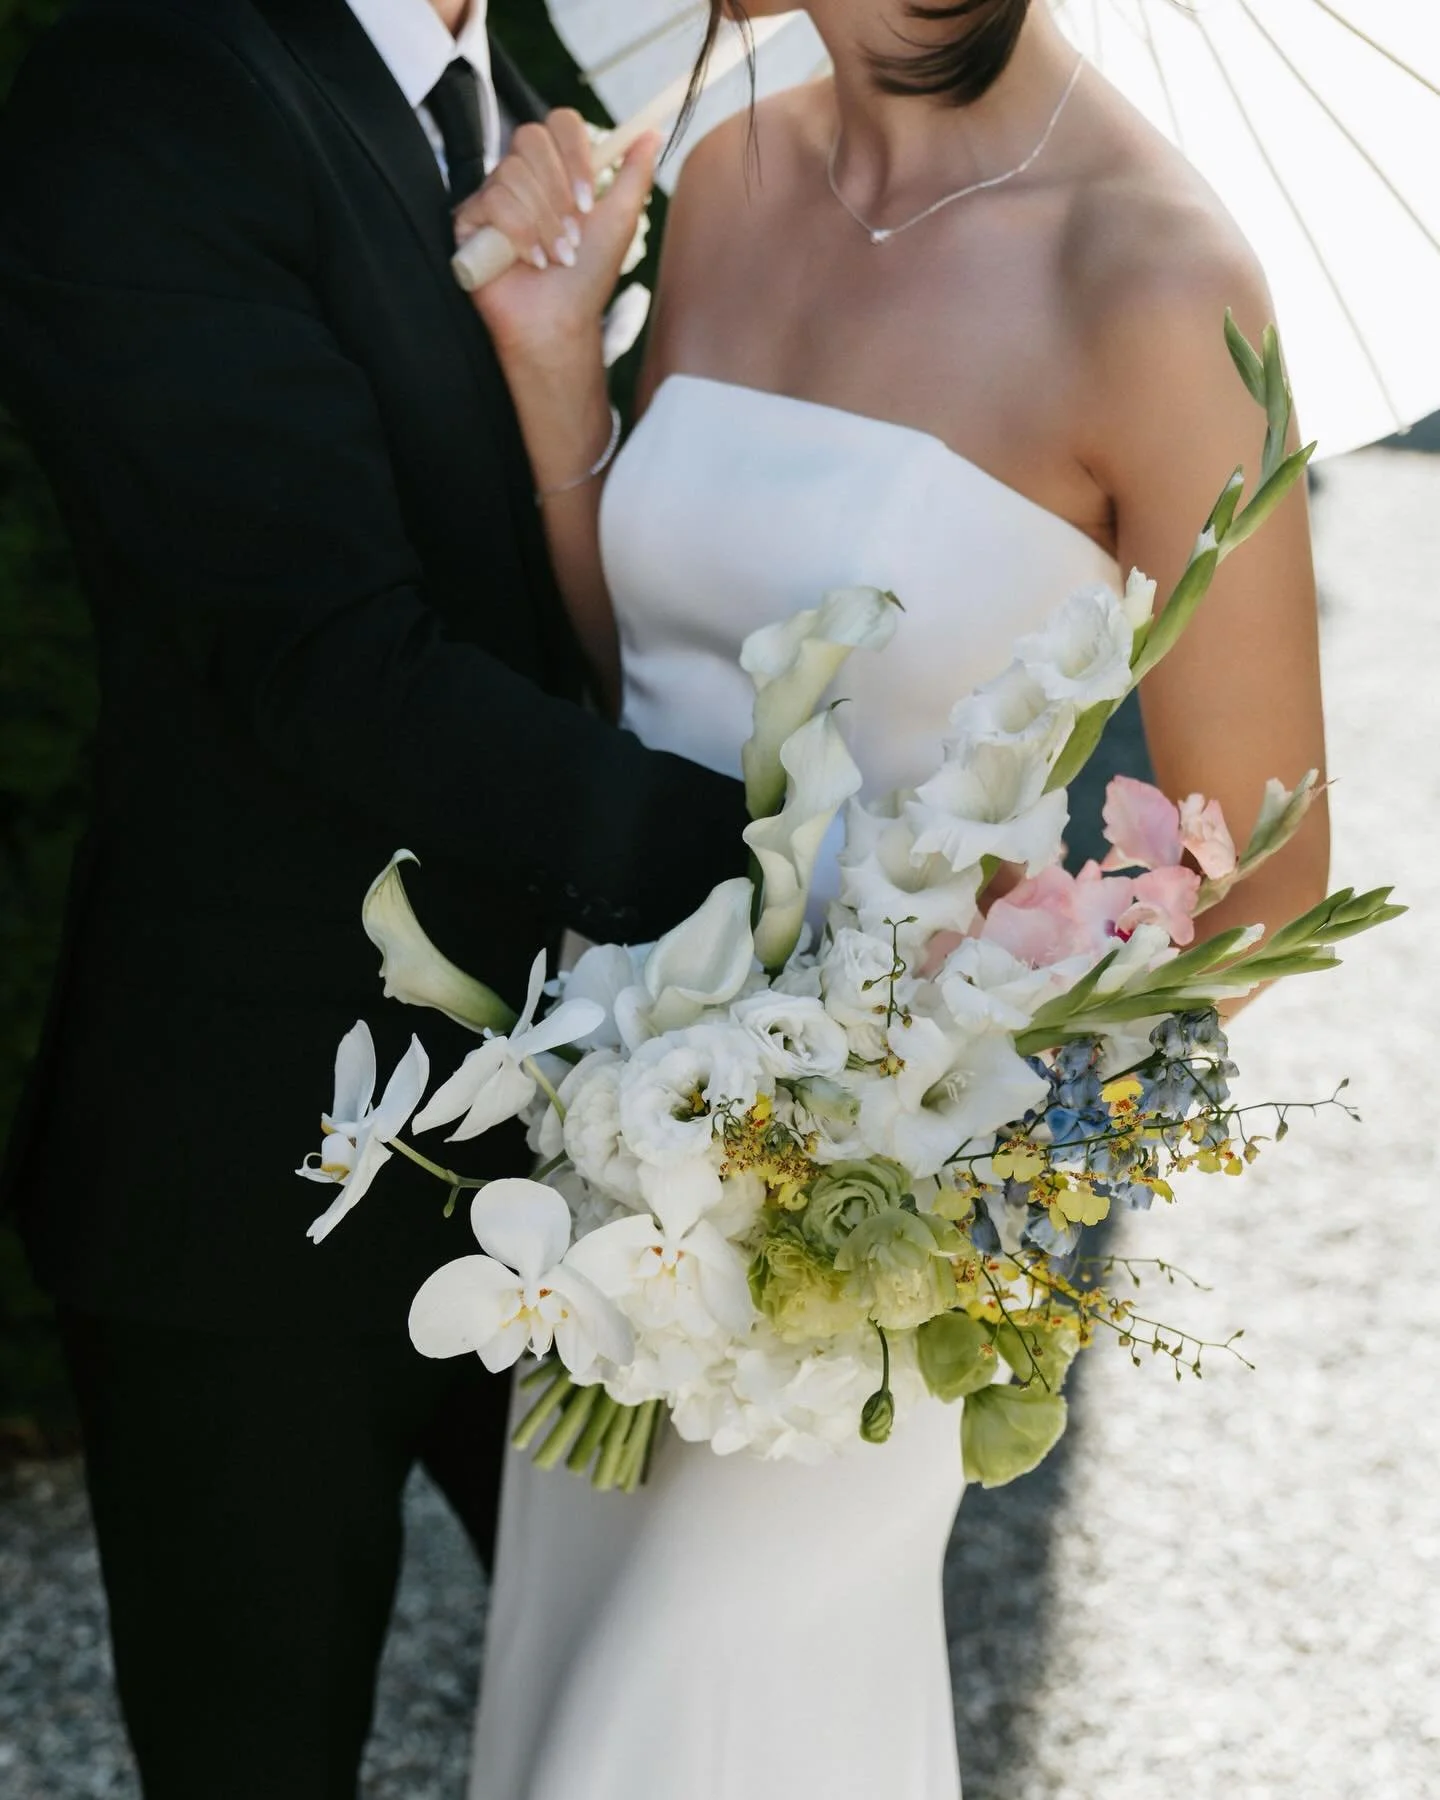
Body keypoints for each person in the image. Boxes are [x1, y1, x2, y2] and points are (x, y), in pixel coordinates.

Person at [448, 1, 1330, 1795]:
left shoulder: (1154, 279)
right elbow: (649, 681)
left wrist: (934, 1138)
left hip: (858, 1252)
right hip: (609, 1155)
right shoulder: (729, 166)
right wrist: (558, 378)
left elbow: (1277, 870)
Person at [0, 1, 743, 1794]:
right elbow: (325, 661)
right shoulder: (147, 94)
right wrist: (762, 872)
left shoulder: (543, 120)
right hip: (255, 1162)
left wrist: (567, 350)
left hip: (587, 1160)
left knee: (662, 1730)